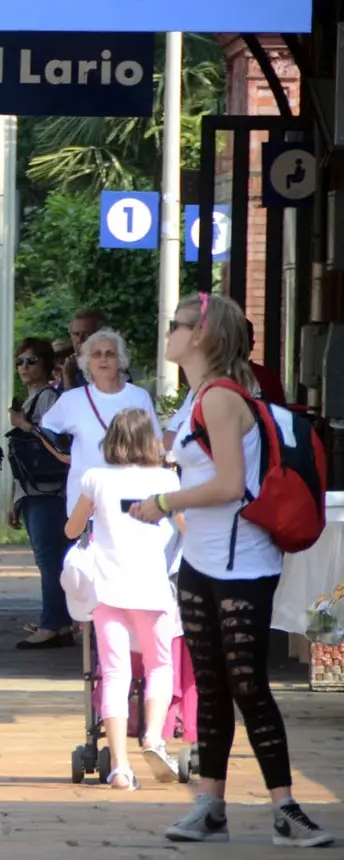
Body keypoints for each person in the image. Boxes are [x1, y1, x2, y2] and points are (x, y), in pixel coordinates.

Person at [131, 293, 334, 847]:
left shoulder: (220, 397)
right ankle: (210, 806)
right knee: (215, 687)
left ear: (200, 336)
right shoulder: (197, 396)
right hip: (202, 562)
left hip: (243, 563)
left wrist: (164, 504)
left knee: (248, 684)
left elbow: (228, 484)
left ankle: (287, 808)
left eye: (176, 325)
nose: (168, 331)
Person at [63, 408, 184, 790]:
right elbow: (187, 527)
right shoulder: (166, 478)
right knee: (159, 664)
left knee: (115, 673)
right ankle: (153, 737)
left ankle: (119, 766)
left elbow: (72, 527)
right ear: (150, 440)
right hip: (152, 588)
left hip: (108, 589)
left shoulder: (95, 478)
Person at [40, 327, 162, 521]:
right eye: (97, 354)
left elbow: (155, 446)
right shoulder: (72, 400)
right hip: (86, 501)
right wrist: (62, 456)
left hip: (132, 498)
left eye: (110, 354)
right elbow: (45, 431)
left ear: (120, 360)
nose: (103, 359)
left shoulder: (139, 397)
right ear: (87, 362)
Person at [6, 338, 73, 649]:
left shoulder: (48, 399)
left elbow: (53, 444)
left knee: (49, 560)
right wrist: (15, 498)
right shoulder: (33, 399)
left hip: (48, 491)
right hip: (33, 491)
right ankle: (58, 621)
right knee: (50, 559)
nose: (23, 367)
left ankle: (51, 623)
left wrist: (23, 425)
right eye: (20, 361)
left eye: (30, 361)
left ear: (46, 365)